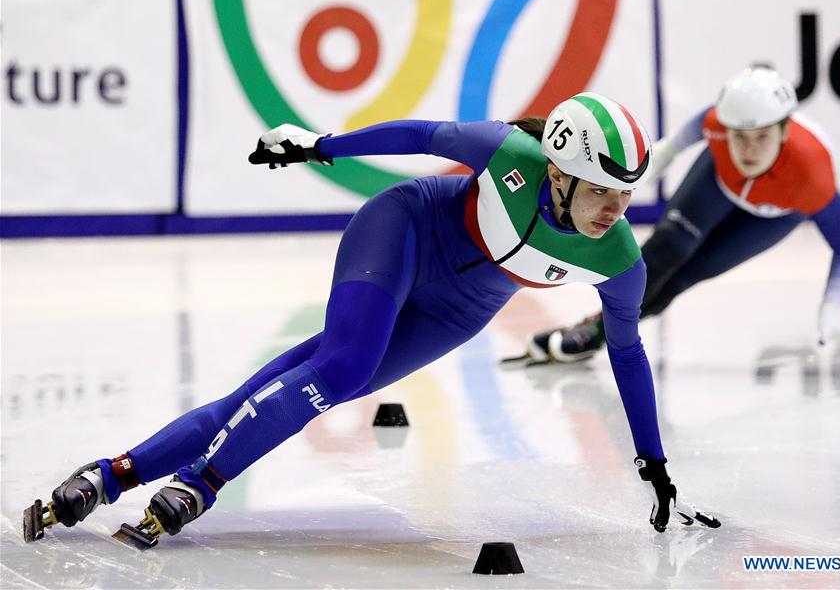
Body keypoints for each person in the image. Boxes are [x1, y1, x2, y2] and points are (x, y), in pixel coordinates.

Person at [23, 93, 720, 549]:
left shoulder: (622, 259)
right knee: (342, 368)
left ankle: (111, 474)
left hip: (462, 308)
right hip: (404, 231)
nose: (614, 211)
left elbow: (627, 355)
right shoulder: (510, 152)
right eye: (600, 190)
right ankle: (203, 484)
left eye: (626, 194)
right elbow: (420, 136)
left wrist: (652, 459)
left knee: (293, 387)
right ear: (559, 172)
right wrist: (318, 144)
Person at [514, 69, 840, 367]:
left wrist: (831, 307)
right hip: (718, 180)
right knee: (668, 247)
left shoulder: (813, 176)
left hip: (773, 214)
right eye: (738, 137)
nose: (749, 150)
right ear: (725, 128)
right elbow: (668, 149)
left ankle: (598, 331)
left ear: (785, 132)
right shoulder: (714, 122)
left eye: (762, 137)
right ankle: (592, 332)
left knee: (687, 275)